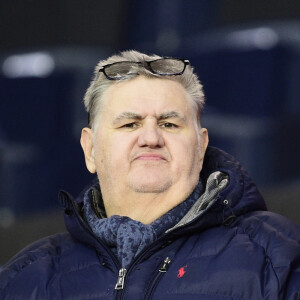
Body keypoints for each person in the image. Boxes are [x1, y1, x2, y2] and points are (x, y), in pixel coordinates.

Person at [0, 50, 299, 300]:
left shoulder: (276, 255)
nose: (151, 137)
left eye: (169, 124)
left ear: (201, 146)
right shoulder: (25, 281)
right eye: (129, 124)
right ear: (90, 149)